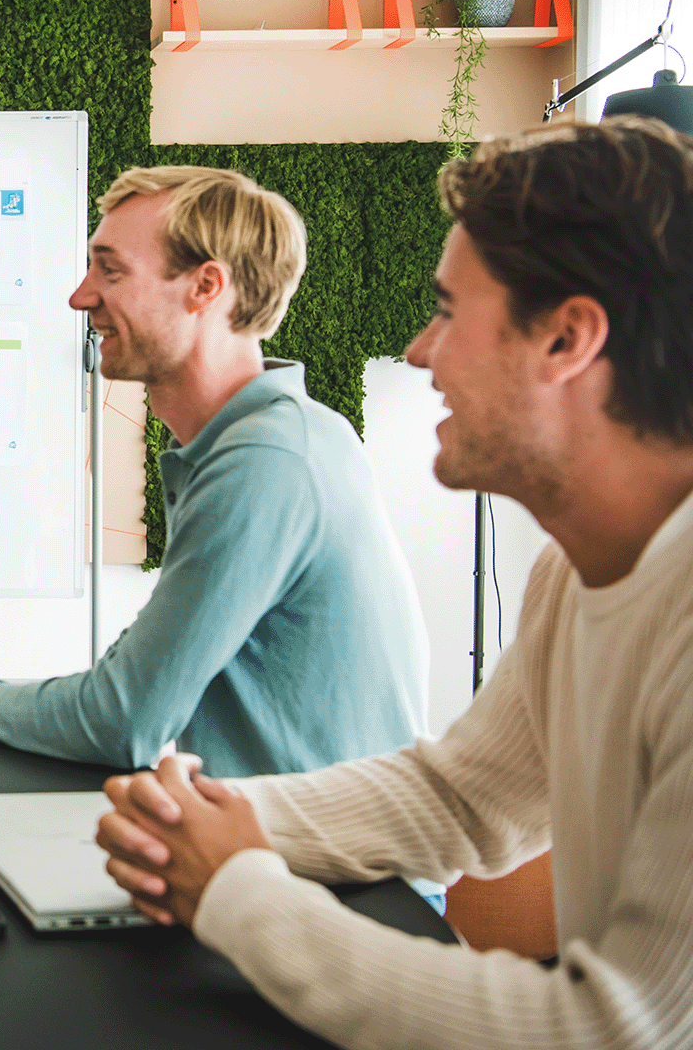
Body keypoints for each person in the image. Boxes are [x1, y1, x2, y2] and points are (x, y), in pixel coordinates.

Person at [96, 117, 693, 1050]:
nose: (419, 351)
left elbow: (616, 1029)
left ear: (567, 339)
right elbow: (466, 800)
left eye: (449, 312)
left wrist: (235, 887)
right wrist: (206, 821)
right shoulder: (573, 575)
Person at [0, 166, 429, 778]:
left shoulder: (266, 460)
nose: (81, 297)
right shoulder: (286, 436)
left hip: (313, 841)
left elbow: (122, 719)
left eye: (110, 271)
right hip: (281, 827)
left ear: (205, 287)